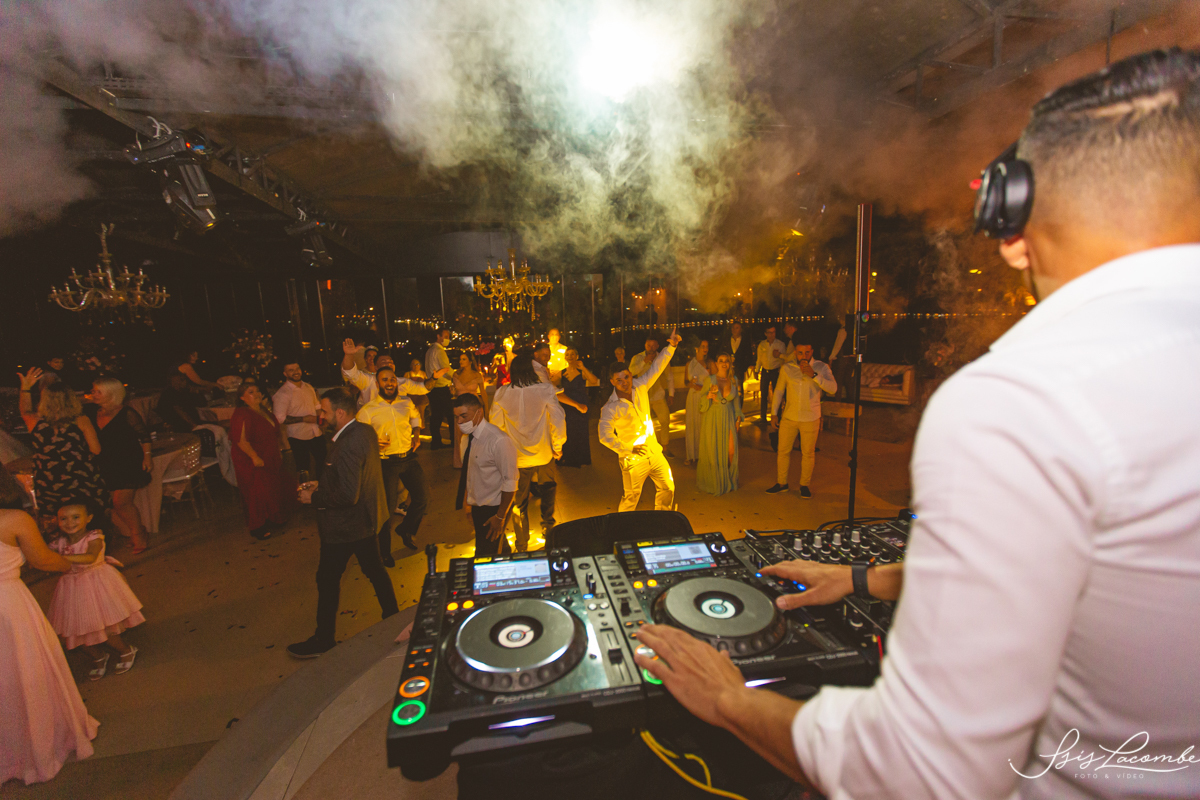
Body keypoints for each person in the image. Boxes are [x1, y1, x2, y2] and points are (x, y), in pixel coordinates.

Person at [632, 49, 1200, 800]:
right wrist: (867, 577)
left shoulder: (1018, 402)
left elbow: (918, 772)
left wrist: (728, 700)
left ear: (1011, 221)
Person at [0, 468, 98, 785]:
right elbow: (42, 559)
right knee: (25, 672)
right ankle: (36, 745)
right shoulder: (13, 519)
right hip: (8, 606)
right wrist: (71, 563)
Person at [290, 387, 396, 658]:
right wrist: (322, 483)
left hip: (345, 527)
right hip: (364, 521)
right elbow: (354, 476)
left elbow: (349, 494)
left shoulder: (347, 443)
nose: (320, 416)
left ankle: (323, 639)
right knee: (375, 571)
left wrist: (314, 497)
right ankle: (394, 620)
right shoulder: (364, 431)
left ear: (339, 413)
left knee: (327, 579)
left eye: (324, 411)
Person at [46, 500, 143, 680]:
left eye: (76, 517)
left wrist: (61, 558)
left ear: (88, 518)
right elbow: (42, 557)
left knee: (102, 627)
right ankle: (98, 656)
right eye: (63, 518)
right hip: (69, 588)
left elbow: (90, 557)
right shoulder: (58, 542)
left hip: (95, 583)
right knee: (74, 631)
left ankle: (126, 650)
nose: (70, 522)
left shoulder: (94, 536)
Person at [599, 328, 681, 512]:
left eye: (626, 377)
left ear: (630, 375)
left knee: (667, 487)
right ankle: (623, 526)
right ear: (612, 382)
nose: (625, 383)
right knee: (631, 498)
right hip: (633, 459)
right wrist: (628, 449)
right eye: (619, 380)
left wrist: (671, 347)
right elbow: (604, 436)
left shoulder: (640, 386)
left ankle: (663, 519)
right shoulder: (610, 407)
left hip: (654, 451)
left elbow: (657, 367)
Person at [490, 356, 566, 551]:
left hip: (517, 457)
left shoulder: (502, 393)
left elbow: (496, 426)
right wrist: (558, 446)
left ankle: (522, 542)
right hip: (544, 452)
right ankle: (549, 532)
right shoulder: (545, 389)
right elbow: (558, 419)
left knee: (519, 500)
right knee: (548, 491)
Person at [356, 366, 426, 565]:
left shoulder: (405, 402)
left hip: (408, 457)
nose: (390, 383)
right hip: (386, 462)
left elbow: (415, 417)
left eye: (392, 379)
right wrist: (372, 442)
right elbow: (358, 437)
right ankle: (384, 552)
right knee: (386, 510)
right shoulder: (368, 410)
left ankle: (406, 529)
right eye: (385, 380)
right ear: (378, 384)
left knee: (422, 498)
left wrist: (416, 433)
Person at [17, 371, 105, 518]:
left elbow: (25, 410)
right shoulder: (81, 420)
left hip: (49, 479)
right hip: (80, 477)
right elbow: (96, 450)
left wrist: (25, 388)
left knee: (56, 519)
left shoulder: (35, 422)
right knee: (85, 517)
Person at [86, 377, 150, 554]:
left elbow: (144, 436)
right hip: (106, 463)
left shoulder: (127, 413)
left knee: (121, 502)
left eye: (99, 391)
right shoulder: (92, 412)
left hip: (128, 461)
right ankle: (137, 531)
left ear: (112, 393)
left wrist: (147, 458)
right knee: (113, 504)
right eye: (93, 391)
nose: (94, 394)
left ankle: (138, 534)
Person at [766, 343, 836, 498]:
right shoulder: (787, 368)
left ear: (812, 351)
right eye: (800, 353)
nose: (803, 356)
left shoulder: (821, 367)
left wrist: (814, 375)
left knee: (808, 453)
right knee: (782, 451)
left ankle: (804, 485)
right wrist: (774, 413)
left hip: (810, 417)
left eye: (807, 352)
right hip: (789, 416)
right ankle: (781, 483)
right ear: (795, 353)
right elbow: (779, 390)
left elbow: (833, 388)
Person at [230, 380, 296, 541]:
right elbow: (240, 440)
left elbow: (274, 433)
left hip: (269, 455)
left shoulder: (263, 410)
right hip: (252, 458)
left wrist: (279, 451)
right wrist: (254, 457)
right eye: (251, 392)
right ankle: (257, 526)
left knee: (272, 487)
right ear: (242, 397)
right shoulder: (242, 413)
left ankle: (273, 517)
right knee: (257, 492)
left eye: (257, 391)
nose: (257, 394)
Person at [453, 393, 517, 557]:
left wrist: (500, 517)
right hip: (478, 507)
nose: (459, 422)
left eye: (464, 416)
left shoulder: (498, 440)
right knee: (496, 547)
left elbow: (510, 482)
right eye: (456, 417)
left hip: (494, 508)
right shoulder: (467, 439)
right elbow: (470, 474)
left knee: (485, 556)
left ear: (479, 413)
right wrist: (469, 504)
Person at [158, 371, 238, 486]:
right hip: (189, 430)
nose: (184, 382)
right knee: (222, 428)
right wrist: (194, 426)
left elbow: (202, 403)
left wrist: (196, 392)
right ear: (173, 382)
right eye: (181, 380)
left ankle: (233, 460)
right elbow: (179, 412)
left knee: (231, 422)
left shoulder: (184, 392)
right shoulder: (170, 395)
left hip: (198, 423)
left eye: (184, 379)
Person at [695, 353, 743, 496]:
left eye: (726, 361)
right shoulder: (710, 380)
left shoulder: (734, 380)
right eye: (721, 361)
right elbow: (701, 403)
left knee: (731, 451)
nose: (724, 363)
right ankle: (716, 481)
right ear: (716, 363)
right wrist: (708, 396)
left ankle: (729, 479)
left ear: (729, 363)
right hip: (713, 417)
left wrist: (738, 418)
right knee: (713, 451)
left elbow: (736, 402)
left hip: (728, 417)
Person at [343, 339, 437, 407]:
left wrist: (434, 378)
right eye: (384, 362)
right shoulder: (368, 380)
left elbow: (422, 388)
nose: (388, 364)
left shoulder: (402, 382)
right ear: (376, 367)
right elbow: (350, 373)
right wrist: (349, 355)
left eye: (390, 362)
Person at [272, 361, 326, 477]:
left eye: (297, 369)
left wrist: (321, 421)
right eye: (291, 370)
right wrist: (304, 419)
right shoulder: (283, 393)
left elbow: (317, 406)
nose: (296, 372)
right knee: (303, 467)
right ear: (285, 374)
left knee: (323, 462)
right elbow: (279, 418)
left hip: (316, 432)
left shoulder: (308, 387)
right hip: (298, 435)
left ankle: (321, 485)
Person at [629, 335, 675, 454]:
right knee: (644, 423)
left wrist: (671, 394)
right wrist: (644, 362)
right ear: (645, 345)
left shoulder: (661, 358)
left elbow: (669, 376)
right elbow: (630, 373)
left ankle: (665, 446)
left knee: (665, 420)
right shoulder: (638, 358)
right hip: (642, 396)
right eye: (649, 345)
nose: (651, 348)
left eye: (654, 345)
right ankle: (647, 448)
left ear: (657, 346)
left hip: (658, 395)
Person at [556, 348, 595, 468]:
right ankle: (568, 458)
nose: (570, 356)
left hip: (581, 403)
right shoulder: (562, 373)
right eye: (567, 354)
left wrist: (583, 368)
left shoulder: (581, 371)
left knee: (581, 430)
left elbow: (594, 381)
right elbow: (551, 386)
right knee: (568, 430)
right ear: (565, 358)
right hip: (568, 404)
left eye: (572, 354)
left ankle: (581, 458)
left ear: (577, 356)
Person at [451, 352, 488, 469]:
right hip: (460, 406)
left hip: (473, 407)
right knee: (459, 435)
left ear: (470, 361)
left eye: (464, 359)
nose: (461, 361)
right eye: (460, 359)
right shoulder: (456, 374)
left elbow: (483, 393)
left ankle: (477, 459)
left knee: (476, 434)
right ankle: (460, 461)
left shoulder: (477, 375)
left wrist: (486, 409)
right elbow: (453, 392)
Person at [425, 327, 455, 449]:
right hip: (441, 387)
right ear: (439, 336)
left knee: (436, 415)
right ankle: (453, 440)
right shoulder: (439, 351)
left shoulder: (429, 350)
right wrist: (457, 377)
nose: (447, 339)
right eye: (446, 337)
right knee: (450, 414)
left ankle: (436, 441)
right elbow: (446, 369)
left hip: (432, 387)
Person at [684, 339, 711, 465]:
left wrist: (704, 387)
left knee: (703, 425)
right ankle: (691, 455)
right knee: (691, 424)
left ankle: (703, 455)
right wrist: (690, 384)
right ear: (697, 348)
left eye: (707, 346)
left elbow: (715, 381)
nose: (705, 349)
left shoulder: (709, 363)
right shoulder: (689, 364)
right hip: (692, 396)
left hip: (704, 396)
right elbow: (685, 382)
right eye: (703, 346)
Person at [754, 325, 785, 425]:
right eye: (770, 332)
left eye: (773, 332)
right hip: (765, 371)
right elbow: (759, 359)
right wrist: (756, 370)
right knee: (763, 394)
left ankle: (777, 417)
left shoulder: (780, 344)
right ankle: (763, 417)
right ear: (765, 334)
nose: (772, 335)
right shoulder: (762, 344)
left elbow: (784, 360)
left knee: (777, 394)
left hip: (775, 371)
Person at [405, 358, 430, 423]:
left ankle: (422, 423)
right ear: (411, 365)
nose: (416, 366)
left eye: (417, 364)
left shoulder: (423, 374)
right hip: (411, 395)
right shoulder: (407, 374)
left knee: (421, 409)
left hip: (421, 395)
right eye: (414, 364)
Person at [729, 322, 753, 386]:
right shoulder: (727, 340)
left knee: (739, 387)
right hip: (728, 369)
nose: (734, 330)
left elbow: (749, 355)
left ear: (741, 329)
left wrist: (744, 368)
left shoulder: (745, 341)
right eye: (733, 328)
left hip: (740, 370)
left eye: (737, 328)